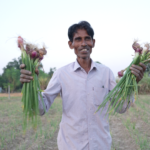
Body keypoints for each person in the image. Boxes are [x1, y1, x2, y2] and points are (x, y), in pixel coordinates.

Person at [20, 21, 146, 150]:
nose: (83, 43)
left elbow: (121, 107)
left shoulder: (106, 73)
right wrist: (30, 85)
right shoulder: (61, 74)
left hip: (101, 146)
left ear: (93, 43)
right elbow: (41, 108)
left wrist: (132, 83)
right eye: (78, 39)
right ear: (71, 44)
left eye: (87, 39)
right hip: (70, 146)